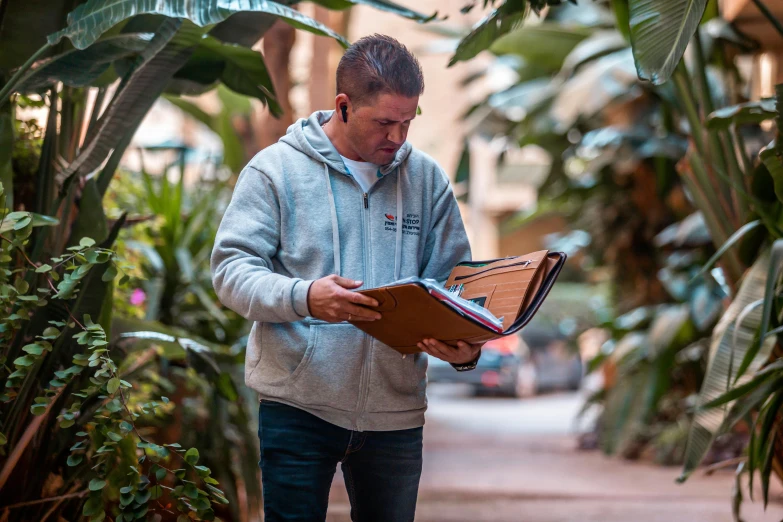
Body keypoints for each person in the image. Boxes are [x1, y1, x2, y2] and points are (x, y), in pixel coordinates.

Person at [211, 34, 484, 522]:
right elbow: (231, 271)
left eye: (407, 121)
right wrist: (305, 298)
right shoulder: (275, 171)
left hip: (395, 415)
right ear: (342, 105)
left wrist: (466, 346)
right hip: (298, 408)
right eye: (384, 122)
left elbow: (455, 285)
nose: (398, 138)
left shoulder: (426, 180)